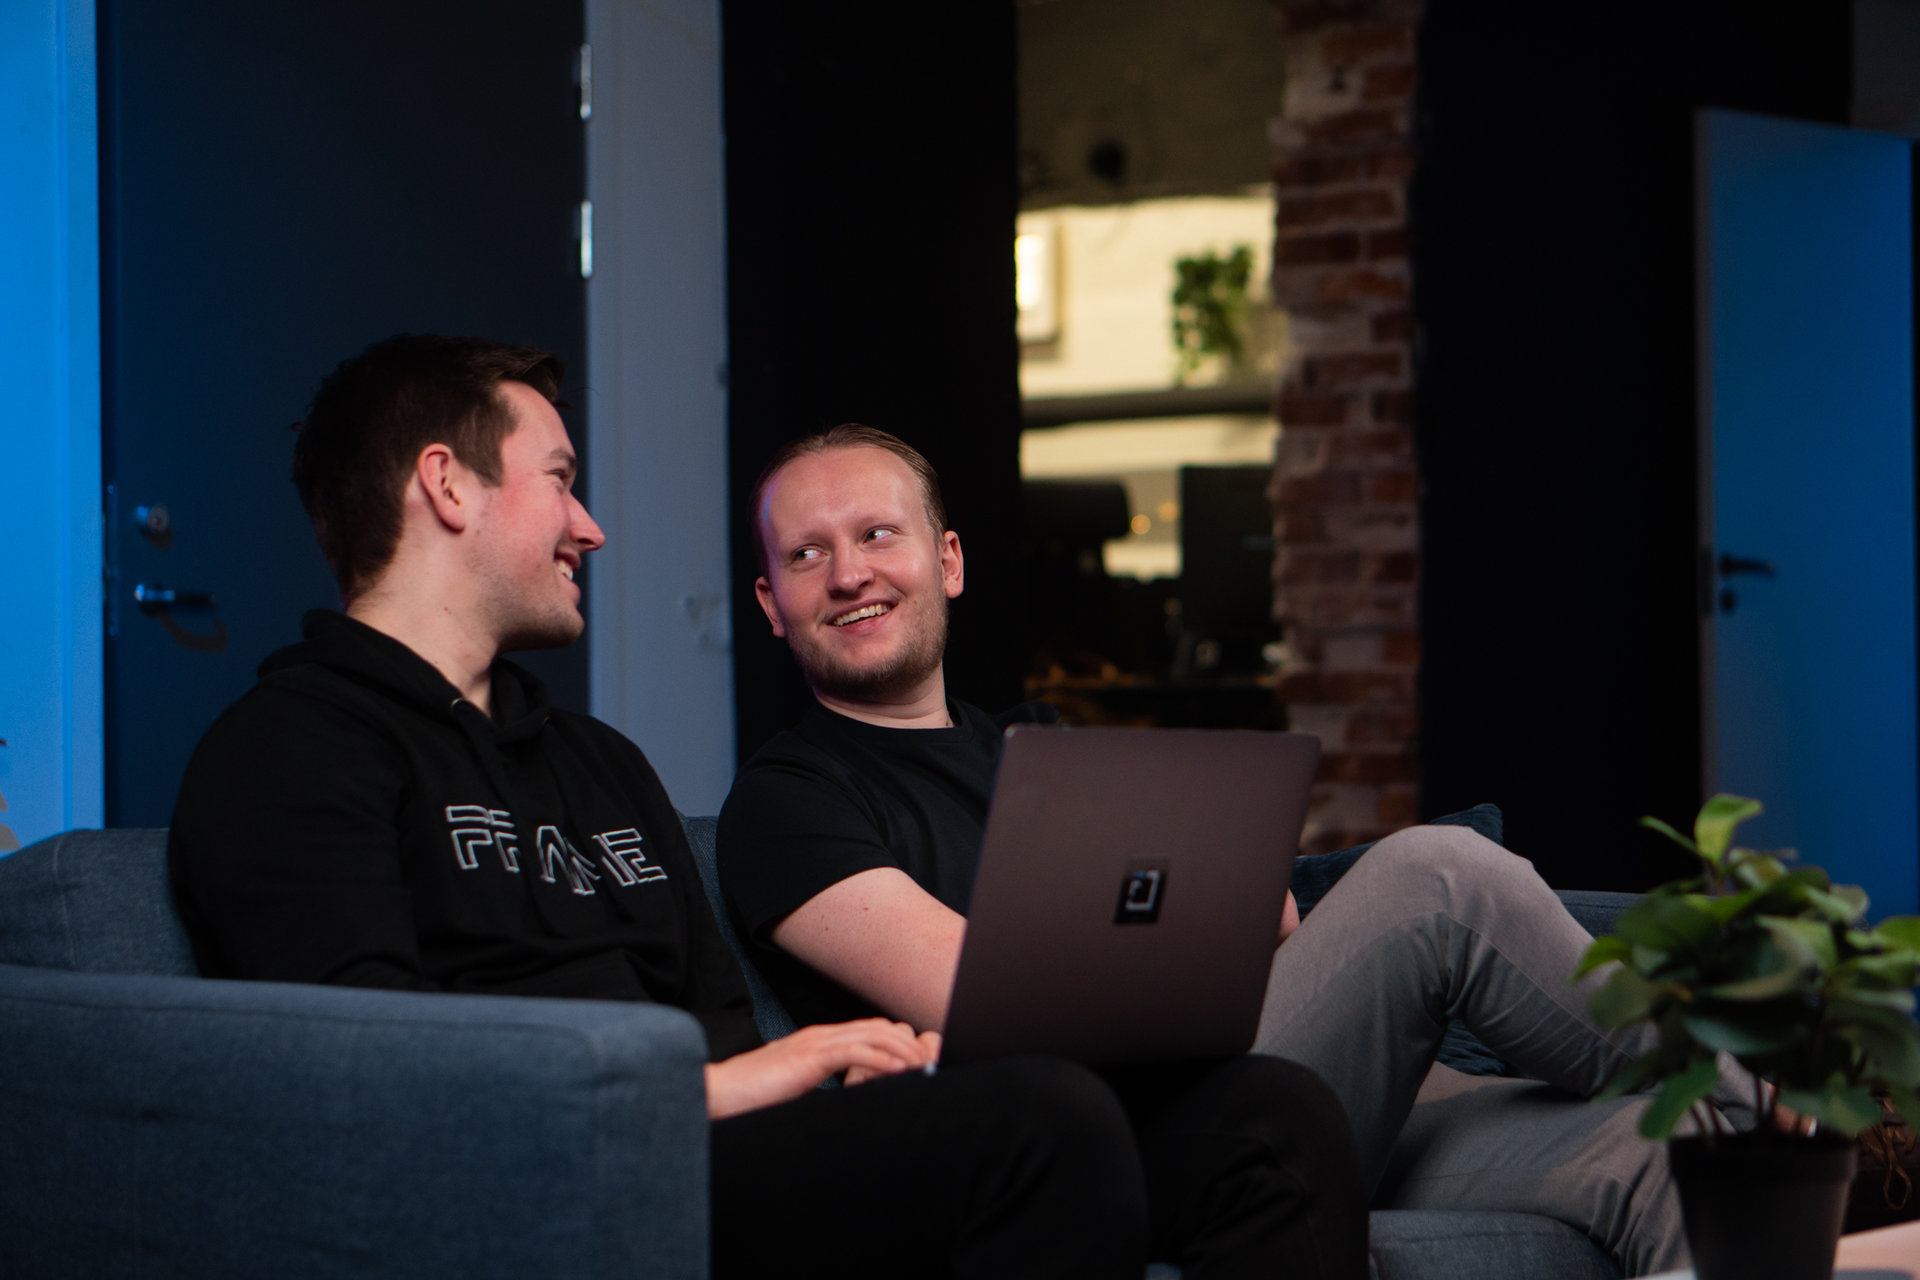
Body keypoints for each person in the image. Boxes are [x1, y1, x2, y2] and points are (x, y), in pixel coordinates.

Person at [166, 334, 1364, 1280]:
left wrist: (832, 1086)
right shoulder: (287, 749)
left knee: (1271, 1115)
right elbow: (366, 1074)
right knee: (1043, 1117)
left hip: (707, 1149)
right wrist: (721, 1087)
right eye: (563, 481)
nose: (591, 525)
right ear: (447, 484)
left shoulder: (597, 762)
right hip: (545, 1168)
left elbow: (728, 1031)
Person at [717, 424, 1767, 1278]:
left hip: (1291, 1084)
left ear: (946, 562)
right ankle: (1769, 1087)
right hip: (1131, 1130)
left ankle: (1746, 1116)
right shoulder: (789, 799)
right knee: (1433, 875)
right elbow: (990, 1002)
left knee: (1679, 1160)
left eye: (877, 534)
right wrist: (1202, 934)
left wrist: (1221, 920)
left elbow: (1271, 918)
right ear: (771, 604)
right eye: (807, 554)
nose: (848, 573)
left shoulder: (1044, 747)